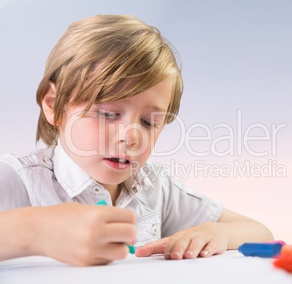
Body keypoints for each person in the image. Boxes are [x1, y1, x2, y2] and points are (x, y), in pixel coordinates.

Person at [0, 14, 273, 266]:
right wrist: (34, 231)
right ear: (53, 104)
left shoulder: (154, 188)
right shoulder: (17, 179)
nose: (132, 137)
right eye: (108, 114)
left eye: (148, 122)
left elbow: (259, 232)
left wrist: (216, 232)